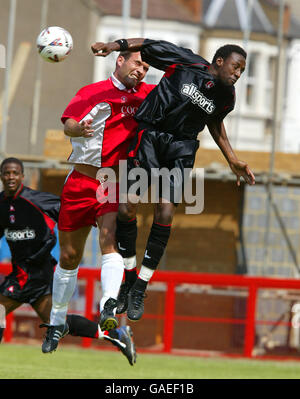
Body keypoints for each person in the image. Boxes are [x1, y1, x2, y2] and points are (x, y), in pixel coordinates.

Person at [91, 38, 256, 321]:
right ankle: (128, 278)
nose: (238, 74)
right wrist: (114, 45)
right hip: (151, 137)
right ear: (219, 62)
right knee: (126, 208)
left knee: (165, 212)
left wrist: (231, 158)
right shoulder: (186, 62)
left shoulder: (227, 97)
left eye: (242, 70)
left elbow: (214, 122)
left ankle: (141, 285)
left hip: (182, 148)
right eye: (235, 67)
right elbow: (148, 44)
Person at [43, 51, 155, 352]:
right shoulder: (91, 92)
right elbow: (68, 123)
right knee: (68, 256)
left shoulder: (149, 96)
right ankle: (56, 323)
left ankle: (107, 307)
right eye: (137, 63)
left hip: (115, 181)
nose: (142, 70)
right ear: (120, 60)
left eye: (146, 67)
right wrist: (77, 129)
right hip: (80, 180)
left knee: (109, 238)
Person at [0, 157, 136, 366]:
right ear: (1, 176)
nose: (10, 177)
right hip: (20, 273)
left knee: (53, 322)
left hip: (41, 274)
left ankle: (115, 333)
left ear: (22, 176)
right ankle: (117, 334)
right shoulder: (1, 205)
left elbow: (68, 215)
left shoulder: (37, 200)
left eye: (15, 173)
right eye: (6, 173)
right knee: (60, 323)